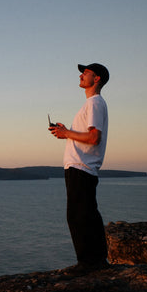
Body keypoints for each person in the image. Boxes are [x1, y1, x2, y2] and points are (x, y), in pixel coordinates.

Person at [49, 63, 110, 272]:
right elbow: (88, 136)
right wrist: (66, 131)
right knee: (88, 213)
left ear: (97, 79)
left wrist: (66, 133)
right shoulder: (94, 104)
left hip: (81, 167)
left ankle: (87, 264)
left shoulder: (94, 103)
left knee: (78, 215)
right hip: (82, 168)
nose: (81, 75)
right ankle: (98, 261)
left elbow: (94, 137)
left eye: (86, 73)